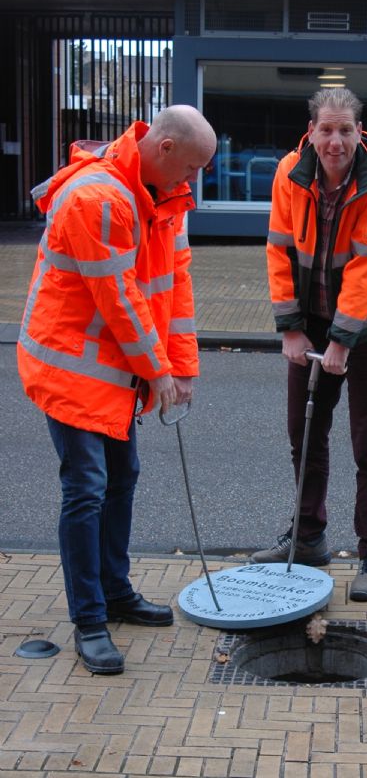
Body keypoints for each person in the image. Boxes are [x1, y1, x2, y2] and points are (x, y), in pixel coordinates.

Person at [17, 105, 217, 675]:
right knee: (87, 488)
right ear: (165, 148)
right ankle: (90, 621)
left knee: (122, 477)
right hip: (72, 368)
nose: (195, 179)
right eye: (193, 166)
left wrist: (181, 366)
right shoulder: (97, 198)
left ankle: (115, 591)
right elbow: (119, 299)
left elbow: (175, 285)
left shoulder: (167, 196)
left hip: (116, 369)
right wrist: (158, 372)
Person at [252, 87, 367, 602]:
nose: (335, 141)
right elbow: (278, 251)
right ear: (311, 131)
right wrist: (291, 329)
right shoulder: (289, 173)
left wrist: (342, 340)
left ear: (359, 131)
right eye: (326, 129)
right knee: (304, 433)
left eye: (345, 130)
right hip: (311, 319)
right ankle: (308, 537)